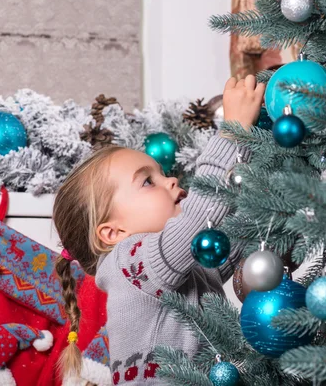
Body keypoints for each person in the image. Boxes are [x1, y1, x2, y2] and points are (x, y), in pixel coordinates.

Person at [53, 75, 265, 384]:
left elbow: (238, 232)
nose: (173, 180)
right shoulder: (130, 262)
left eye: (162, 173)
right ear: (113, 233)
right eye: (148, 181)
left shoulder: (181, 263)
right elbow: (198, 218)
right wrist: (234, 133)